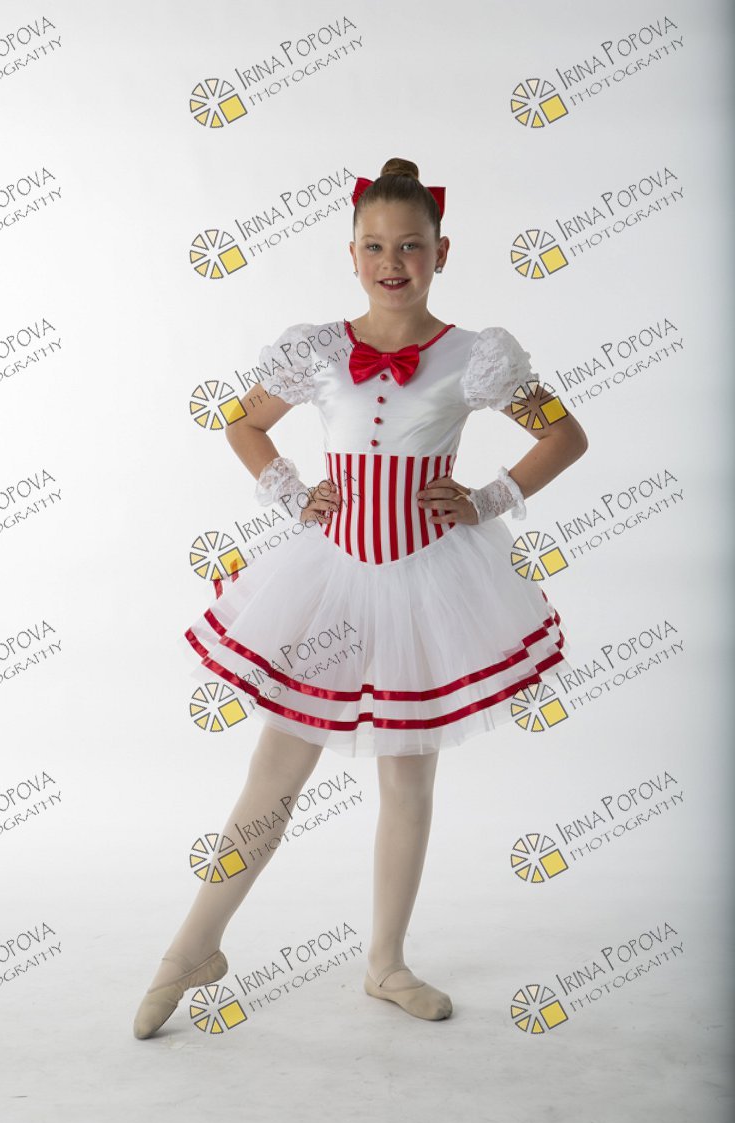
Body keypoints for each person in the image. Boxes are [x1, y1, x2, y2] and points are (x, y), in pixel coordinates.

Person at [133, 156, 588, 1039]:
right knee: (274, 773)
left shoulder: (474, 356)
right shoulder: (318, 349)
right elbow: (243, 421)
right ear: (351, 255)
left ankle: (386, 963)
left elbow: (565, 435)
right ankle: (192, 945)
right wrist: (292, 491)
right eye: (374, 246)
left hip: (427, 586)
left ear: (440, 252)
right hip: (330, 579)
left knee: (407, 779)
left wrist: (487, 498)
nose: (392, 261)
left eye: (410, 246)